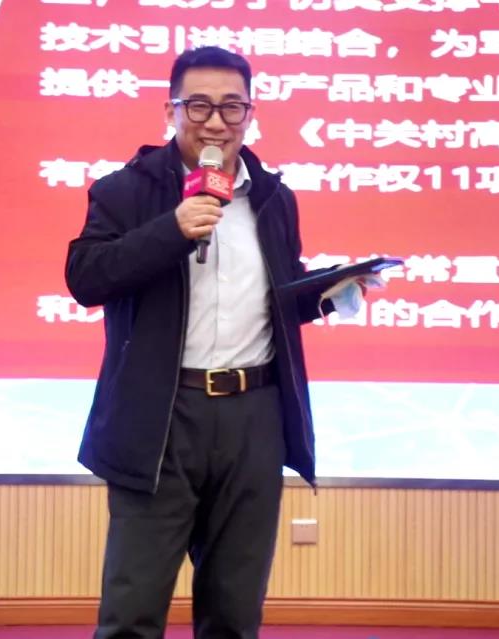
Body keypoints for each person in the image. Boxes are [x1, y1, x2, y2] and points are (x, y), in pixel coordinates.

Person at [66, 46, 349, 639]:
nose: (216, 122)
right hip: (162, 418)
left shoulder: (273, 197)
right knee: (132, 609)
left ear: (250, 113)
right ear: (171, 110)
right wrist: (172, 229)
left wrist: (333, 291)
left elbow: (276, 299)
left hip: (254, 415)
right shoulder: (126, 191)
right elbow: (86, 278)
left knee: (234, 610)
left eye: (231, 107)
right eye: (198, 105)